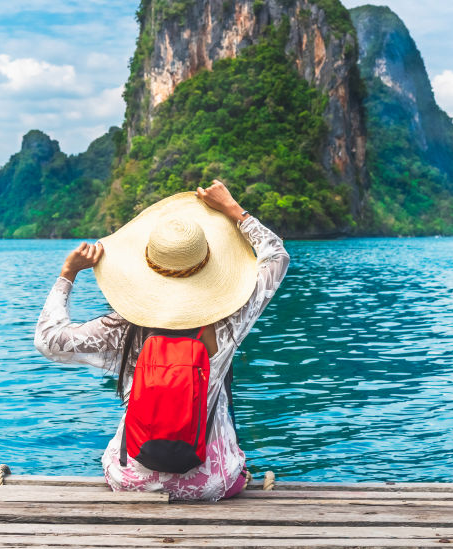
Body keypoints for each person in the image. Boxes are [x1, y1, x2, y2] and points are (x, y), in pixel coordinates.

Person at [34, 180, 290, 500]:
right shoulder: (229, 321)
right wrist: (233, 209)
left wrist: (68, 274)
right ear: (207, 263)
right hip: (207, 484)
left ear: (146, 268)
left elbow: (47, 340)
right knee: (235, 467)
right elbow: (276, 256)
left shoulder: (123, 327)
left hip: (130, 477)